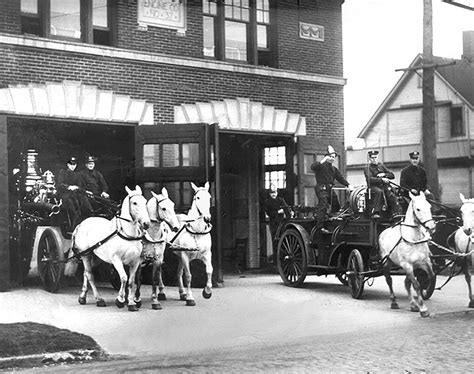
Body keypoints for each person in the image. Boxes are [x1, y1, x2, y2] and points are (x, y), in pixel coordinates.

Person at [311, 145, 354, 234]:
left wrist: (348, 185)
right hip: (321, 188)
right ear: (326, 156)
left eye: (333, 157)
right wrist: (323, 161)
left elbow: (340, 178)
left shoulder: (333, 169)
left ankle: (330, 221)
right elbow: (313, 167)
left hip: (330, 189)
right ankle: (320, 227)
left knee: (336, 205)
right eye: (330, 157)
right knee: (323, 205)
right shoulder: (320, 166)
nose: (332, 159)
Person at [57, 156, 92, 229]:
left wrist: (84, 190)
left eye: (74, 165)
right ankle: (74, 223)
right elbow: (60, 184)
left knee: (84, 200)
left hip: (75, 194)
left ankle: (88, 218)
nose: (73, 166)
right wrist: (68, 187)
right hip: (65, 194)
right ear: (68, 165)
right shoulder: (62, 172)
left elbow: (80, 186)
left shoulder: (77, 175)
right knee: (70, 203)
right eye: (71, 164)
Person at [364, 150, 400, 220]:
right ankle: (376, 212)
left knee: (391, 194)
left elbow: (392, 175)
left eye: (375, 157)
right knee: (379, 192)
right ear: (369, 158)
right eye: (372, 158)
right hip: (373, 187)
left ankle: (394, 212)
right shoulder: (367, 168)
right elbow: (370, 179)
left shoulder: (381, 166)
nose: (374, 159)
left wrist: (384, 174)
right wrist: (381, 179)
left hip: (383, 186)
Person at [263, 185, 292, 262]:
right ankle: (276, 259)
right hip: (273, 223)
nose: (273, 194)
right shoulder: (267, 202)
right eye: (272, 193)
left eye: (275, 192)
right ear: (269, 194)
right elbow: (268, 213)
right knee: (275, 240)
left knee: (284, 239)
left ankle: (284, 257)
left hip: (282, 223)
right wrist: (277, 212)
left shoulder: (281, 200)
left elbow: (286, 208)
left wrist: (289, 215)